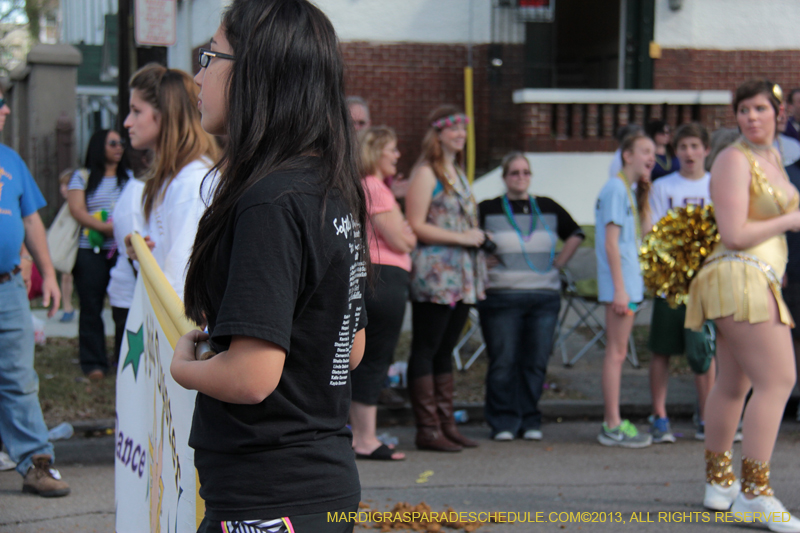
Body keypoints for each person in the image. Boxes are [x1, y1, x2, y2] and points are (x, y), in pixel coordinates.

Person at [172, 1, 368, 531]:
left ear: (257, 72)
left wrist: (184, 368)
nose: (199, 76)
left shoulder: (268, 202)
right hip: (319, 483)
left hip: (267, 495)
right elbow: (349, 348)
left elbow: (252, 376)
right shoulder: (329, 188)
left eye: (210, 56)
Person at [686, 80, 800, 531]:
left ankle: (720, 483)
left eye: (759, 109)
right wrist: (791, 219)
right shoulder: (734, 159)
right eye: (743, 109)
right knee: (779, 380)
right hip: (739, 275)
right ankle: (754, 493)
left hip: (755, 275)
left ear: (778, 113)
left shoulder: (772, 158)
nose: (751, 117)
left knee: (735, 382)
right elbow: (733, 234)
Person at [477, 152, 584, 442]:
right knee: (503, 361)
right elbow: (470, 238)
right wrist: (480, 259)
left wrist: (560, 262)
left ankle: (529, 418)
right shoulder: (487, 208)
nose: (520, 177)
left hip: (544, 297)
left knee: (535, 361)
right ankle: (503, 421)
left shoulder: (547, 206)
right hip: (501, 296)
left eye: (525, 172)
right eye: (514, 172)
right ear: (504, 177)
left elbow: (576, 233)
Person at [0, 88, 69, 497]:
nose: (6, 108)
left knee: (19, 377)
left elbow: (31, 221)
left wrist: (47, 272)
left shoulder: (11, 161)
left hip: (8, 286)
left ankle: (35, 463)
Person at [405, 105, 486, 452]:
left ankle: (446, 424)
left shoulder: (458, 172)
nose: (460, 135)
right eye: (453, 128)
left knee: (445, 349)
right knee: (426, 347)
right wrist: (462, 237)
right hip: (436, 275)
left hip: (462, 276)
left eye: (463, 129)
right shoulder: (427, 172)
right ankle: (427, 428)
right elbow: (416, 224)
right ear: (437, 133)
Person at [123, 64, 220, 299]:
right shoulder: (172, 178)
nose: (127, 122)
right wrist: (141, 253)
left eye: (137, 111)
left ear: (166, 114)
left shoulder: (192, 181)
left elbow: (179, 283)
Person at [646, 123, 716, 443]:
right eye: (683, 147)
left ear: (706, 150)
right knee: (662, 349)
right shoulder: (663, 187)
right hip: (672, 283)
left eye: (695, 146)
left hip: (707, 283)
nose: (690, 153)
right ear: (676, 152)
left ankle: (707, 415)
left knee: (703, 351)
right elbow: (656, 234)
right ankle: (659, 416)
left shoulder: (716, 185)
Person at [350, 126, 415, 461]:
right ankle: (365, 438)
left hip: (377, 276)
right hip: (385, 277)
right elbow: (402, 240)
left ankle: (359, 434)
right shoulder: (375, 187)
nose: (397, 155)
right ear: (376, 151)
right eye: (392, 148)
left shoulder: (368, 187)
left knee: (366, 355)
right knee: (375, 357)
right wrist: (407, 235)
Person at [595, 131, 654, 448]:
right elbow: (611, 243)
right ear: (627, 155)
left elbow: (645, 232)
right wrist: (619, 289)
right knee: (616, 354)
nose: (651, 157)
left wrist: (646, 193)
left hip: (630, 283)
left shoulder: (628, 190)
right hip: (622, 286)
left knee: (618, 353)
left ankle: (614, 421)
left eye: (653, 152)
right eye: (644, 151)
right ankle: (612, 423)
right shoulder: (615, 189)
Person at [67, 129, 129, 379]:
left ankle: (122, 360)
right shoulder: (82, 177)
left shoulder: (129, 178)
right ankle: (93, 362)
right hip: (90, 252)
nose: (119, 147)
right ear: (98, 146)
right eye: (112, 143)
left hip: (121, 254)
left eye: (121, 142)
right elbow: (77, 210)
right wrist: (105, 228)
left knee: (123, 307)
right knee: (91, 307)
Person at [107, 174, 145, 364]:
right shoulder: (136, 195)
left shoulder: (136, 190)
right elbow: (136, 250)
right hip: (131, 294)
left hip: (133, 291)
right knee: (130, 364)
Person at [57, 169, 76, 322]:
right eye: (61, 185)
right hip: (68, 247)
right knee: (66, 276)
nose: (63, 189)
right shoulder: (66, 206)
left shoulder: (77, 204)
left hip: (78, 245)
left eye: (67, 185)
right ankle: (67, 306)